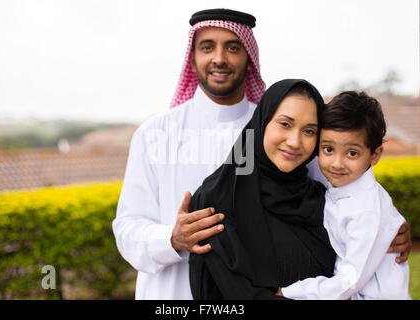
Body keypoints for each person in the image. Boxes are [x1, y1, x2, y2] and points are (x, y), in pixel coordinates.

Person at [112, 8, 411, 300]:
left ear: (250, 58)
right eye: (207, 47)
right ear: (192, 57)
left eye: (233, 47)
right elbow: (127, 227)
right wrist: (171, 238)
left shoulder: (272, 128)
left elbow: (343, 182)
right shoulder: (156, 134)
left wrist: (385, 225)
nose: (219, 58)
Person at [189, 79, 338, 299]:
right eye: (285, 124)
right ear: (262, 123)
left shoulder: (322, 199)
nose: (295, 141)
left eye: (309, 131)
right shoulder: (218, 199)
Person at [278, 91, 411, 299]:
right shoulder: (343, 190)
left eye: (352, 153)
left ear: (375, 155)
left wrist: (290, 292)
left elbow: (349, 281)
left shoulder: (366, 210)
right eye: (328, 149)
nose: (337, 163)